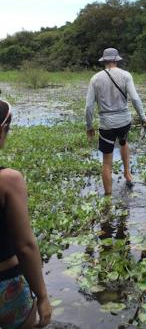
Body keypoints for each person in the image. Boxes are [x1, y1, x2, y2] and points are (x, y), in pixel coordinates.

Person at [0, 100, 52, 328]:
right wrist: (42, 296)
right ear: (1, 131)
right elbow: (26, 246)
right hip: (5, 285)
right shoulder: (8, 181)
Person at [85, 48, 146, 196]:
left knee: (107, 162)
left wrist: (89, 126)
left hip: (107, 123)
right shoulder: (126, 75)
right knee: (123, 142)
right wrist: (143, 118)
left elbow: (88, 106)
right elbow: (135, 98)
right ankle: (128, 174)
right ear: (116, 60)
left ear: (104, 61)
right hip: (124, 121)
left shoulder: (95, 79)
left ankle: (108, 196)